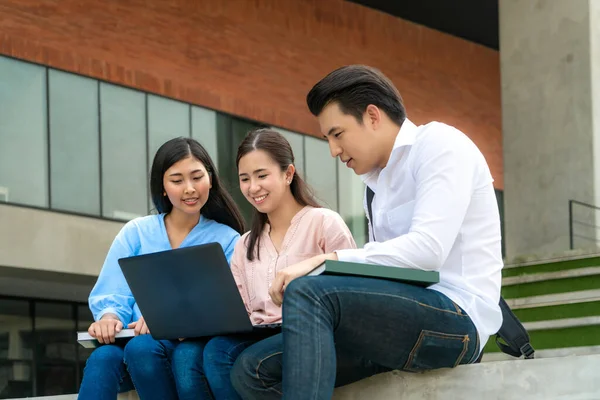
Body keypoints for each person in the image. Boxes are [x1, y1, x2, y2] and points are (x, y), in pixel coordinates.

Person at [230, 65, 504, 399]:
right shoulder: (374, 185)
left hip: (455, 321)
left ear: (372, 116)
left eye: (337, 134)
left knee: (310, 289)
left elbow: (427, 251)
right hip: (402, 319)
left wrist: (324, 260)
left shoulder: (440, 146)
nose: (332, 150)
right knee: (251, 369)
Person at [176, 128, 356, 399]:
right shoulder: (245, 244)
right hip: (259, 334)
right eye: (245, 179)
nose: (253, 187)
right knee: (205, 352)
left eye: (262, 175)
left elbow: (352, 292)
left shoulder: (323, 222)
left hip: (311, 333)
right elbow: (237, 309)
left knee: (226, 357)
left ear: (288, 174)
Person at [78, 137, 245, 400]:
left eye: (196, 177)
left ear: (210, 179)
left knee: (142, 348)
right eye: (177, 181)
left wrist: (167, 319)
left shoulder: (228, 240)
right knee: (102, 357)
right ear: (163, 187)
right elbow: (113, 290)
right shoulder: (136, 232)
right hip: (131, 343)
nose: (189, 188)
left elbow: (226, 304)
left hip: (184, 346)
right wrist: (109, 318)